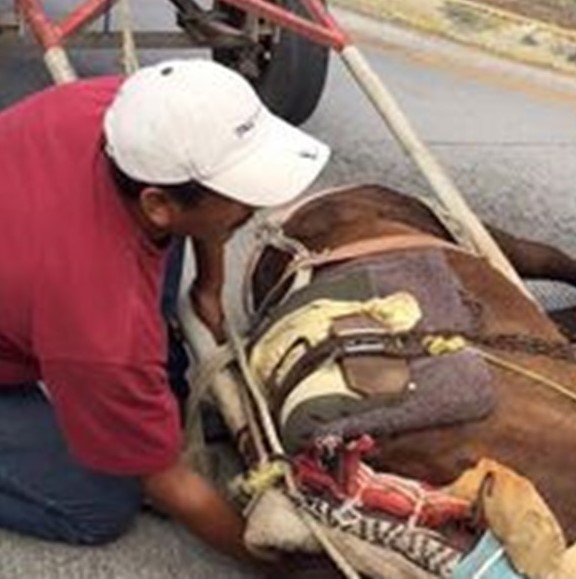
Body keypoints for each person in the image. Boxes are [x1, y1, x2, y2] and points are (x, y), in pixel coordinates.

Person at [0, 59, 330, 560]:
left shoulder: (134, 115)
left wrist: (210, 286)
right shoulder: (101, 321)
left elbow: (198, 209)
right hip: (59, 291)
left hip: (34, 240)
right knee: (103, 502)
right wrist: (283, 569)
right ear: (157, 204)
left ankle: (145, 407)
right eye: (244, 199)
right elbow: (165, 480)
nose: (255, 209)